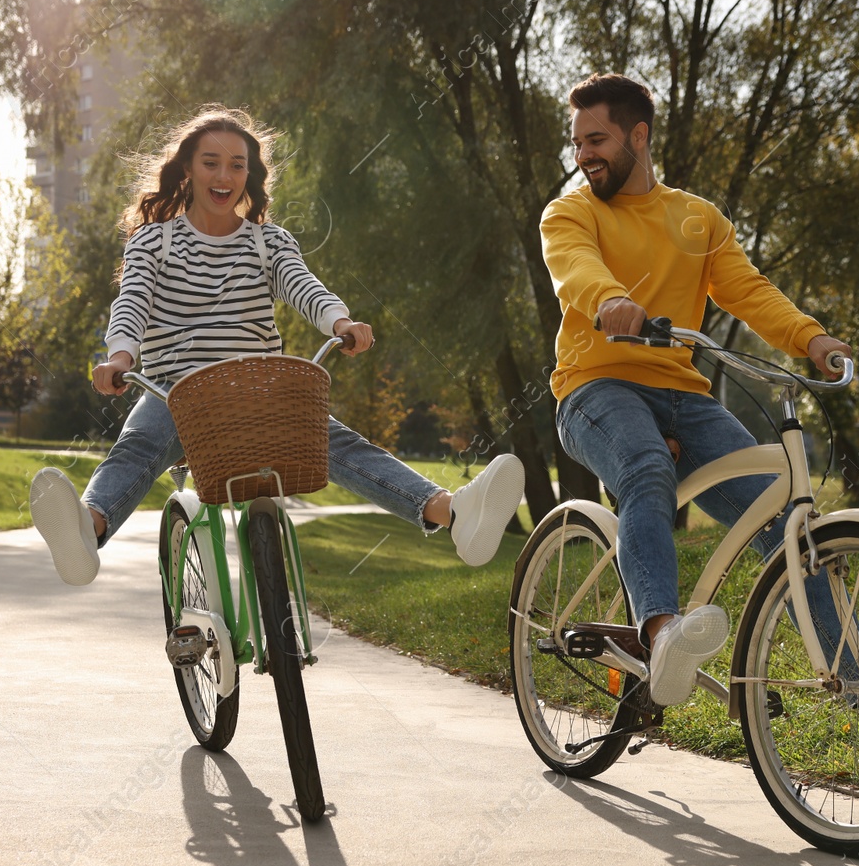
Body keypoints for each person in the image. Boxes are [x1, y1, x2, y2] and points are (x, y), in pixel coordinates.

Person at [541, 74, 859, 752]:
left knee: (788, 520)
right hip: (594, 387)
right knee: (644, 467)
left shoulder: (696, 218)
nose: (584, 153)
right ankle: (662, 631)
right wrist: (610, 300)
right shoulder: (571, 212)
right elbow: (574, 267)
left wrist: (810, 337)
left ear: (639, 136)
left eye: (598, 139)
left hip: (682, 393)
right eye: (578, 141)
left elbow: (748, 291)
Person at [29, 104, 524, 586]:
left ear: (250, 174)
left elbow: (302, 286)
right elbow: (131, 304)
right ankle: (85, 530)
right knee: (139, 445)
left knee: (337, 441)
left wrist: (340, 321)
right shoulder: (153, 242)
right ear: (187, 169)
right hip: (175, 394)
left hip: (257, 392)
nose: (225, 175)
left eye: (237, 164)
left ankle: (456, 515)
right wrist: (119, 358)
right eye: (211, 162)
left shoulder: (268, 242)